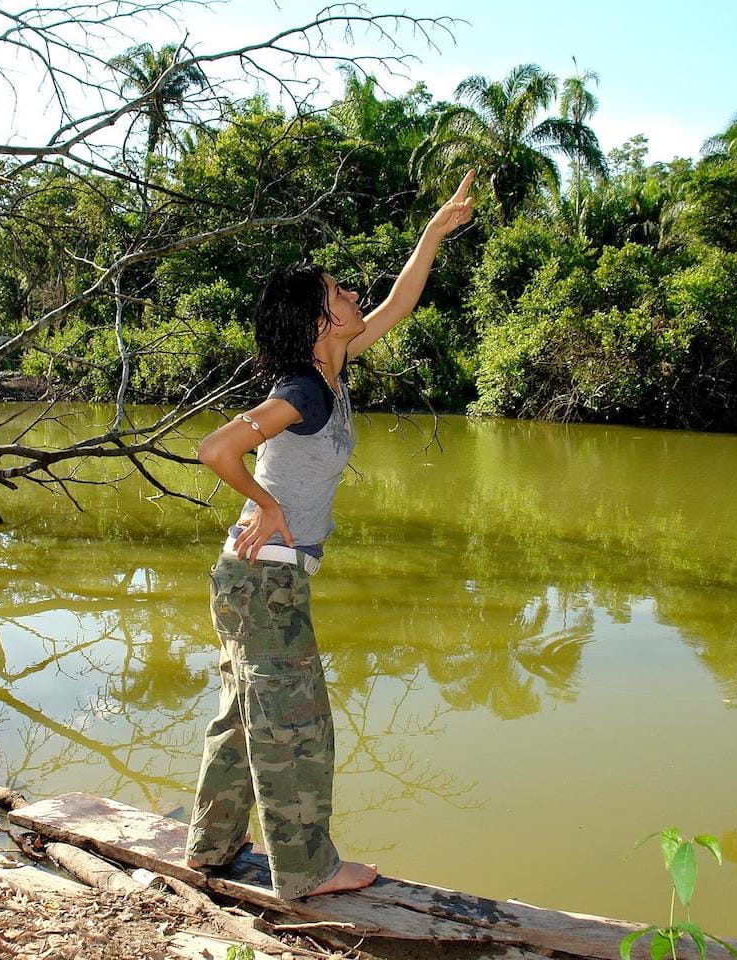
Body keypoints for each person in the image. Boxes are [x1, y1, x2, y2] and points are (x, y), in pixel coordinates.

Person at [184, 171, 476, 899]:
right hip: (265, 580)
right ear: (319, 321)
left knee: (249, 718)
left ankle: (212, 846)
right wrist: (268, 505)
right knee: (296, 725)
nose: (354, 299)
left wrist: (434, 232)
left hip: (254, 580)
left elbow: (400, 303)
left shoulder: (332, 368)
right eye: (340, 294)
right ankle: (307, 872)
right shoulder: (302, 391)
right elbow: (216, 449)